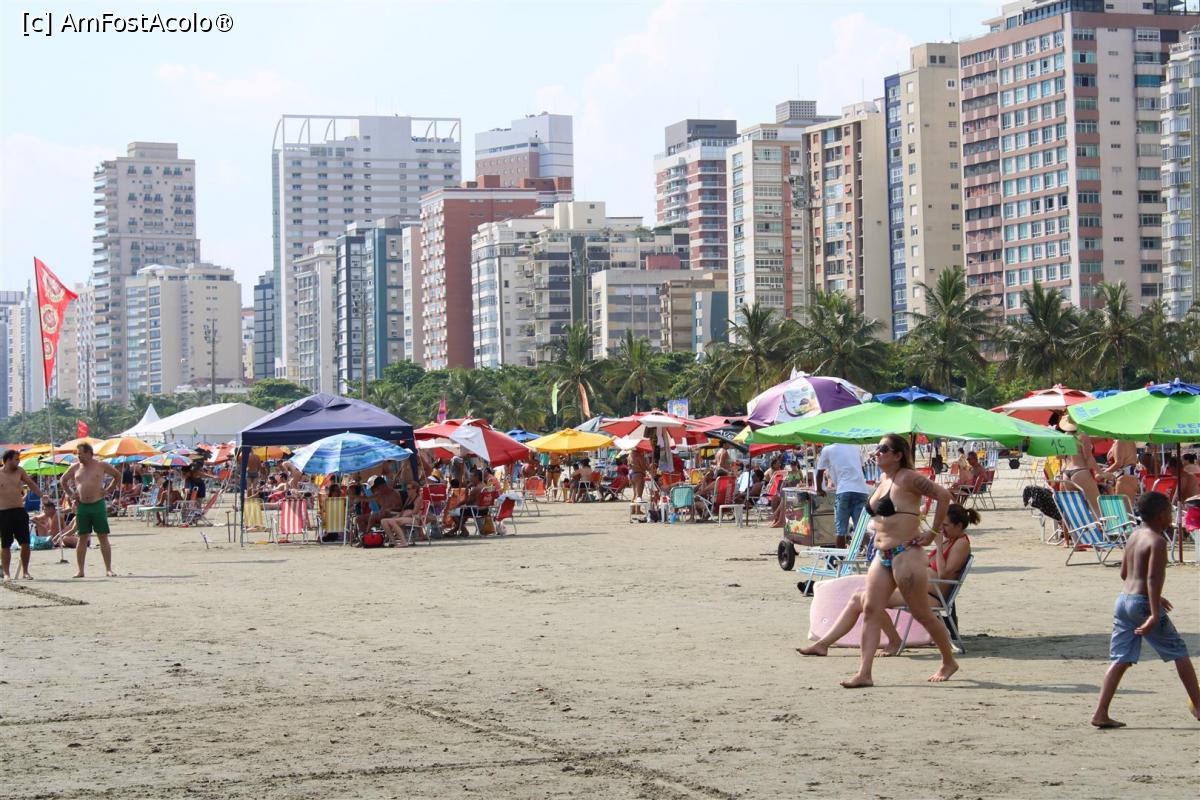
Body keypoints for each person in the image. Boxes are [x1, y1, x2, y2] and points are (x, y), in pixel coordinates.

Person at [839, 433, 958, 688]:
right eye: (877, 448)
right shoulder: (884, 480)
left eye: (883, 449)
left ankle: (949, 661)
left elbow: (943, 495)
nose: (877, 452)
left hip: (906, 554)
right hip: (882, 555)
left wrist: (932, 532)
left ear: (897, 455)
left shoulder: (909, 478)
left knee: (922, 613)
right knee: (871, 609)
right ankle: (864, 673)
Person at [799, 503, 978, 657]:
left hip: (933, 595)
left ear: (959, 525)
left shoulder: (961, 543)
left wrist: (937, 546)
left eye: (945, 525)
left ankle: (893, 640)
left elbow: (944, 575)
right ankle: (823, 644)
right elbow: (928, 565)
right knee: (860, 598)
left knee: (868, 600)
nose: (941, 529)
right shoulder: (949, 540)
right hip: (918, 589)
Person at [1091, 491, 1200, 728]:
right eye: (1169, 512)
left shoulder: (1134, 535)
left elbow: (1124, 574)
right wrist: (1155, 611)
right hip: (1142, 604)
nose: (1171, 515)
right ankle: (1199, 707)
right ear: (1161, 515)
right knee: (1179, 652)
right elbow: (1152, 578)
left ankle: (1100, 712)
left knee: (1120, 659)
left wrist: (1155, 597)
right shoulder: (1157, 541)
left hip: (1123, 601)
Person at [60, 443, 122, 578]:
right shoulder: (75, 467)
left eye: (80, 453)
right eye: (77, 454)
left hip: (97, 504)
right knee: (82, 537)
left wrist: (108, 490)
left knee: (102, 536)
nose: (78, 456)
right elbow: (63, 480)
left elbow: (117, 475)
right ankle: (80, 570)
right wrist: (71, 494)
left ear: (88, 453)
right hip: (82, 505)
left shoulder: (101, 465)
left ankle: (108, 569)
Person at [815, 443, 871, 549]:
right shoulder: (855, 447)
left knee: (841, 530)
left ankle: (840, 558)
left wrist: (819, 490)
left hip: (844, 490)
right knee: (860, 529)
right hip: (861, 490)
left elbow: (819, 473)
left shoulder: (827, 449)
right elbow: (861, 469)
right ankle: (872, 554)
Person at [1, 449, 42, 581]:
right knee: (5, 544)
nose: (18, 461)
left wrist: (42, 495)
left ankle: (25, 571)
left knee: (25, 542)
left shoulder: (20, 471)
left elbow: (31, 484)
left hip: (19, 511)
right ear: (8, 460)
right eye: (16, 459)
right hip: (4, 512)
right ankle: (6, 573)